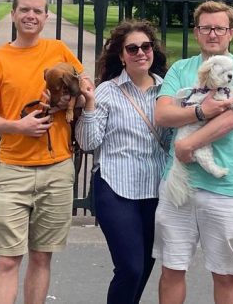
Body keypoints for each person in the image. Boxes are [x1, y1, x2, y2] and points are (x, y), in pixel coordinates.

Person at [0, 0, 87, 304]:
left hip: (57, 169)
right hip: (14, 168)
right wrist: (19, 126)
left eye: (37, 11)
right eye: (24, 9)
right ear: (13, 14)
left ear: (46, 16)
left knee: (42, 256)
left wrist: (72, 96)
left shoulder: (59, 50)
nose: (30, 15)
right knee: (7, 258)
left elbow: (85, 85)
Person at [153, 0, 233, 304]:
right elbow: (162, 115)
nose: (212, 34)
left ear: (231, 33)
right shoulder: (181, 68)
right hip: (180, 184)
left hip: (225, 186)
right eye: (206, 28)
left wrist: (188, 143)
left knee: (225, 274)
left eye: (219, 28)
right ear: (197, 32)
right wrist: (202, 110)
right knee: (172, 268)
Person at [75, 19, 169, 304]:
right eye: (132, 48)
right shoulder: (107, 91)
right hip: (116, 186)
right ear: (121, 55)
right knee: (130, 267)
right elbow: (88, 142)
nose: (141, 53)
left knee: (145, 268)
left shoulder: (167, 91)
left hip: (156, 189)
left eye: (146, 46)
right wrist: (89, 105)